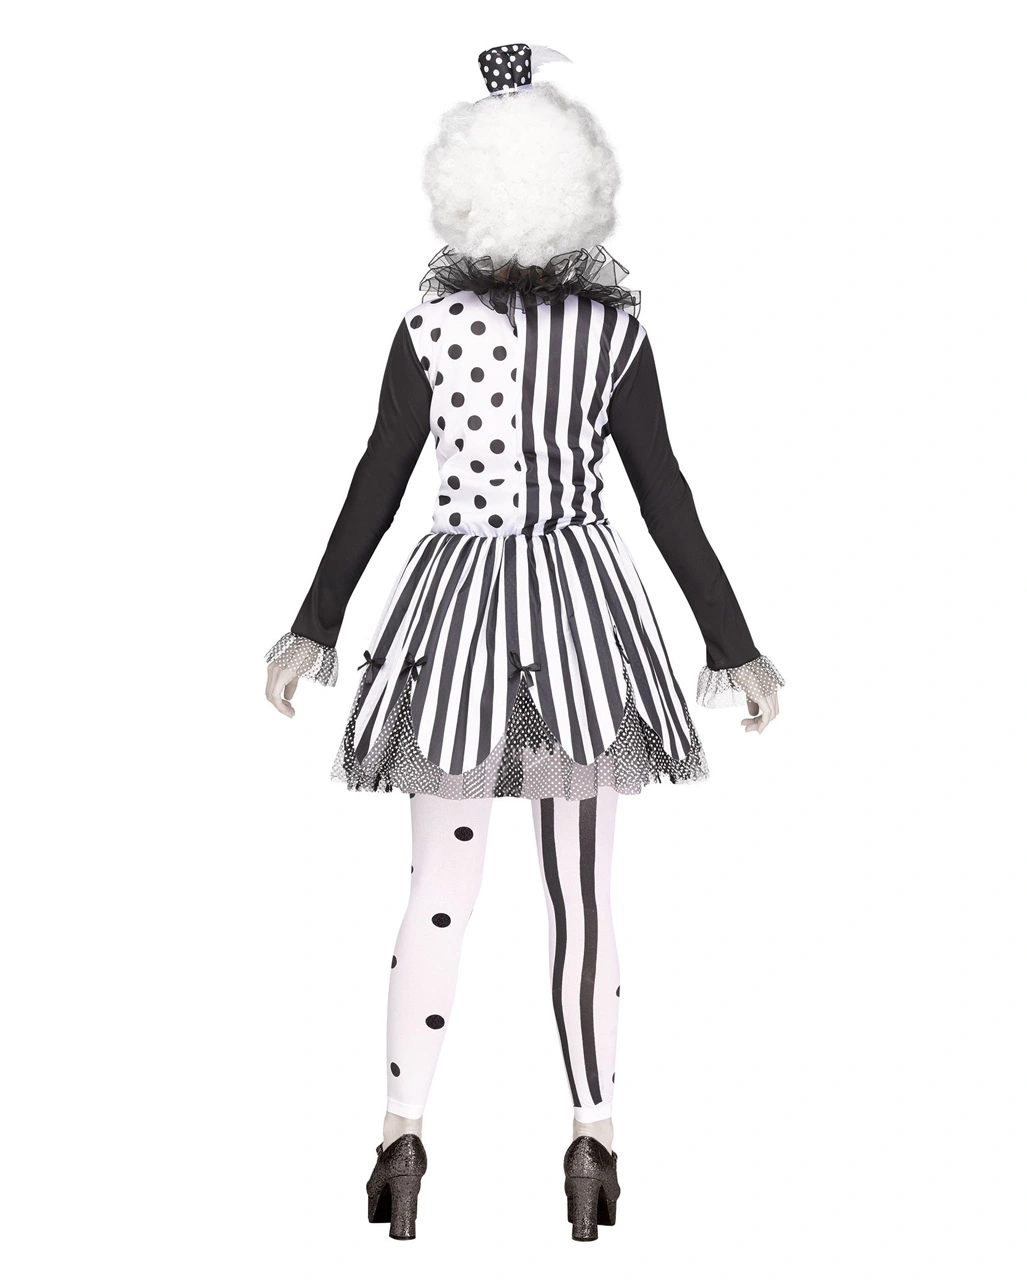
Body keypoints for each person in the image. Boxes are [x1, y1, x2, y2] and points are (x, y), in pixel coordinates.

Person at [264, 43, 783, 1241]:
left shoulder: (429, 325)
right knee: (583, 895)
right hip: (580, 622)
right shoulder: (613, 333)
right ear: (576, 189)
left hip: (452, 616)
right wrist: (732, 642)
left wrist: (313, 624)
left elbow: (378, 479)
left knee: (439, 888)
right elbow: (663, 491)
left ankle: (399, 1140)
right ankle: (592, 1142)